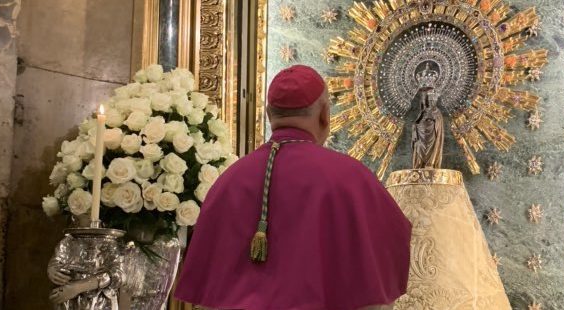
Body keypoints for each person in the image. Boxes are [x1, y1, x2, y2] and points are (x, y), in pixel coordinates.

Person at [174, 65, 412, 310]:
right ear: (325, 115)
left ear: (269, 115)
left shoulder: (228, 181)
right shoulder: (352, 178)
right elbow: (392, 244)